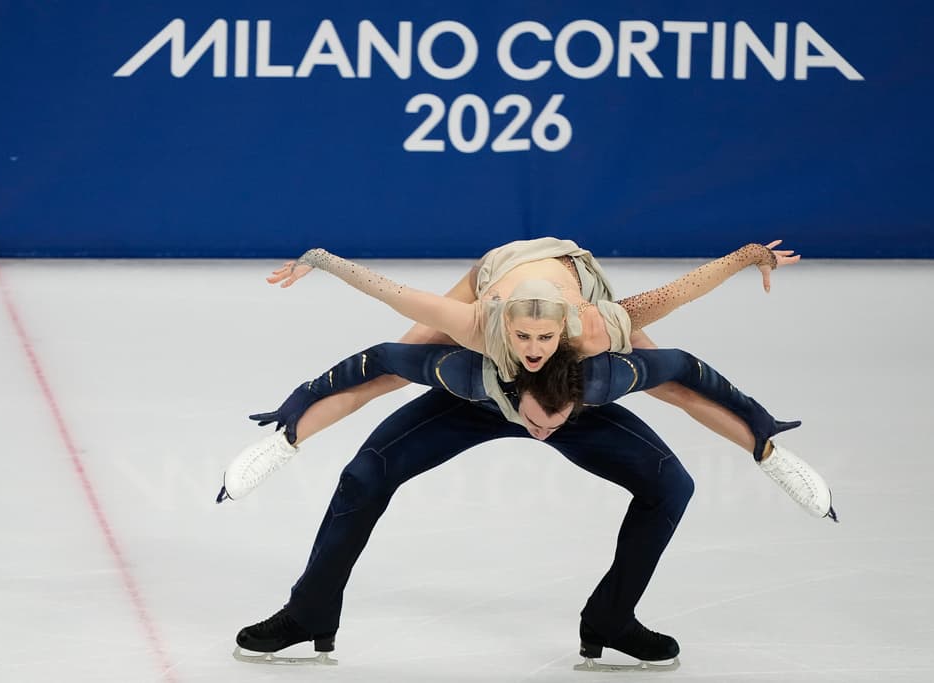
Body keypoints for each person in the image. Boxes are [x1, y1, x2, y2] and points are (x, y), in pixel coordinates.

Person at [219, 343, 835, 670]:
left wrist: (763, 437)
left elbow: (687, 373)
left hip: (563, 390)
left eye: (555, 420)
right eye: (535, 420)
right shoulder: (463, 372)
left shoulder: (599, 379)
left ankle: (610, 622)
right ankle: (310, 612)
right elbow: (379, 360)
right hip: (474, 407)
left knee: (672, 486)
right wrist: (294, 416)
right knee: (365, 474)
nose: (540, 432)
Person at [265, 237, 800, 450]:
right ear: (502, 325)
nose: (533, 350)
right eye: (522, 338)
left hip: (574, 274)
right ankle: (286, 441)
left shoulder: (595, 325)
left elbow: (683, 290)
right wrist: (321, 260)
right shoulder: (476, 321)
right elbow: (391, 292)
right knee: (396, 365)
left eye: (544, 338)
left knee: (667, 383)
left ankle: (765, 446)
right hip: (496, 271)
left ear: (565, 326)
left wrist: (750, 255)